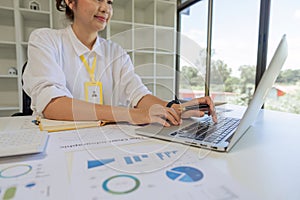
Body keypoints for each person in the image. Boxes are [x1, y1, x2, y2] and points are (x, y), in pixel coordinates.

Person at [23, 0, 217, 127]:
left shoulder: (115, 52)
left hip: (106, 140)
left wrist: (176, 108)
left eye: (109, 2)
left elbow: (139, 95)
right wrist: (132, 114)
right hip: (58, 142)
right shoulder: (45, 40)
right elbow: (52, 105)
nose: (106, 8)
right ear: (70, 2)